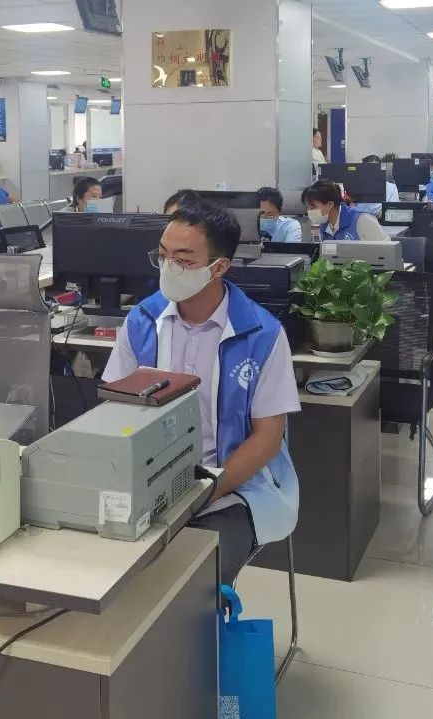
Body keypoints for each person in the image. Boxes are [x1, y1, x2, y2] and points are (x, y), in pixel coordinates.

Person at [101, 200, 300, 584]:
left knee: (192, 579)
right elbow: (115, 408)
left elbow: (268, 437)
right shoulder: (143, 321)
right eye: (162, 256)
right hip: (149, 478)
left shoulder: (261, 334)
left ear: (218, 267)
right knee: (102, 565)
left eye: (183, 260)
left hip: (233, 487)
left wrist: (206, 491)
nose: (169, 268)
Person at [302, 179, 389, 242]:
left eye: (312, 207)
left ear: (330, 205)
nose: (309, 211)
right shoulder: (324, 226)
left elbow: (388, 251)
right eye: (308, 207)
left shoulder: (362, 219)